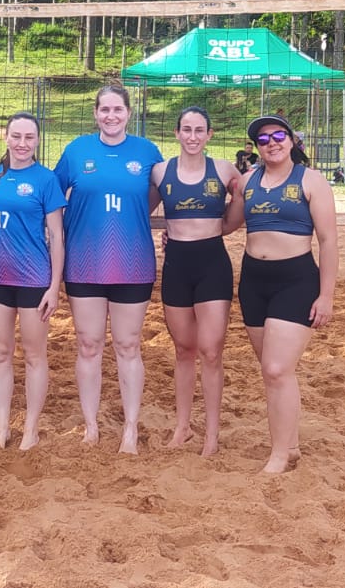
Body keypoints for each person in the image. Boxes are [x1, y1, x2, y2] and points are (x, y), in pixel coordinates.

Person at [54, 84, 164, 454]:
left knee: (129, 344)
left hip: (132, 262)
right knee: (88, 345)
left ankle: (130, 429)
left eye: (118, 110)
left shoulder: (147, 152)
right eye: (105, 110)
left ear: (129, 113)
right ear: (95, 113)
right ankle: (91, 426)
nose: (111, 116)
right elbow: (51, 196)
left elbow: (164, 193)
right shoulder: (77, 151)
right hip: (84, 262)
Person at [240, 113, 339, 473]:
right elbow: (224, 223)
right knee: (272, 372)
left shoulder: (311, 181)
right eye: (263, 139)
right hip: (253, 280)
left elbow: (328, 241)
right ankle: (290, 445)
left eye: (278, 135)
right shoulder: (248, 181)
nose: (272, 143)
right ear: (256, 148)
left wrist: (325, 296)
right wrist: (179, 231)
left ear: (293, 140)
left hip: (296, 279)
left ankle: (279, 455)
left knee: (277, 367)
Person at [150, 106, 245, 456]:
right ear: (176, 133)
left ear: (209, 135)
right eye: (186, 130)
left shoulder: (223, 169)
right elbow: (140, 210)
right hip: (176, 263)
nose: (192, 136)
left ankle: (212, 435)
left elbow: (239, 208)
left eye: (199, 130)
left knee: (211, 351)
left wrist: (219, 226)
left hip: (212, 263)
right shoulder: (161, 172)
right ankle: (183, 427)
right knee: (183, 350)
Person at [0, 112, 66, 450]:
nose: (21, 143)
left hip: (33, 279)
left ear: (37, 141)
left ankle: (30, 428)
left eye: (29, 137)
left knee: (34, 355)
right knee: (0, 353)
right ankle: (1, 426)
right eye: (16, 136)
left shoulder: (46, 180)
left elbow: (57, 236)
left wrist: (54, 286)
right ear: (6, 137)